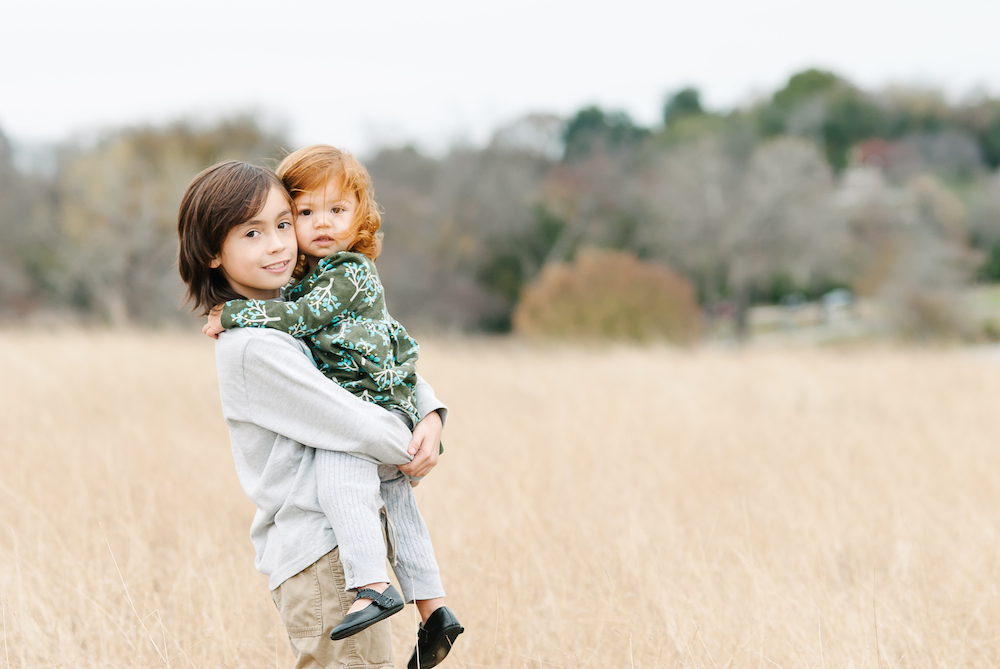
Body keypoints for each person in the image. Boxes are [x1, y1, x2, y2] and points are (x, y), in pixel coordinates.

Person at [177, 160, 458, 669]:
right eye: (252, 233)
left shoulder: (302, 311)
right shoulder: (253, 347)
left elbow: (379, 361)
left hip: (344, 551)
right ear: (215, 252)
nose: (279, 244)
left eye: (284, 224)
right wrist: (411, 446)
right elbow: (350, 421)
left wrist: (432, 415)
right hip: (322, 554)